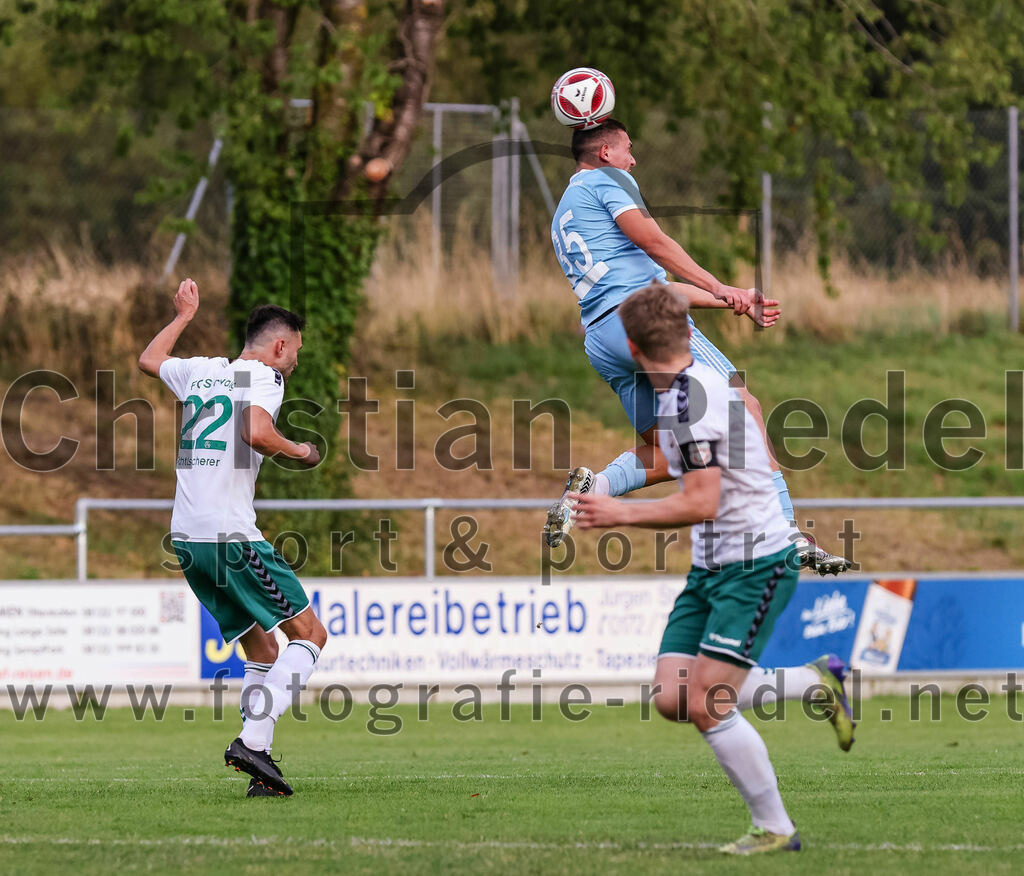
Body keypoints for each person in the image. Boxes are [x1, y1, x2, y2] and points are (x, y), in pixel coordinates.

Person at [571, 282, 855, 855]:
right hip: (712, 568)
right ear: (687, 333)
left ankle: (775, 827)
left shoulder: (687, 403)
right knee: (673, 696)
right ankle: (812, 681)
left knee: (705, 703)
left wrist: (615, 511)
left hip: (755, 566)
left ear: (629, 346)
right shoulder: (697, 388)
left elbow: (701, 500)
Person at [545, 118, 849, 575]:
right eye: (628, 148)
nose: (634, 159)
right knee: (746, 407)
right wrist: (717, 282)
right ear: (606, 153)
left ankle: (593, 489)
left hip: (604, 340)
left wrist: (732, 299)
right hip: (648, 321)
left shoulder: (565, 213)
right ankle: (785, 529)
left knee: (668, 454)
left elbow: (644, 287)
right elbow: (655, 243)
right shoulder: (610, 178)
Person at [138, 278, 327, 797]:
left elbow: (150, 360)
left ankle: (258, 765)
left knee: (262, 648)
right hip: (231, 536)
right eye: (296, 352)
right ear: (280, 345)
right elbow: (255, 432)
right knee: (309, 635)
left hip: (188, 539)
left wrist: (182, 318)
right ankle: (253, 741)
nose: (294, 362)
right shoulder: (263, 375)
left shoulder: (202, 371)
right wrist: (301, 451)